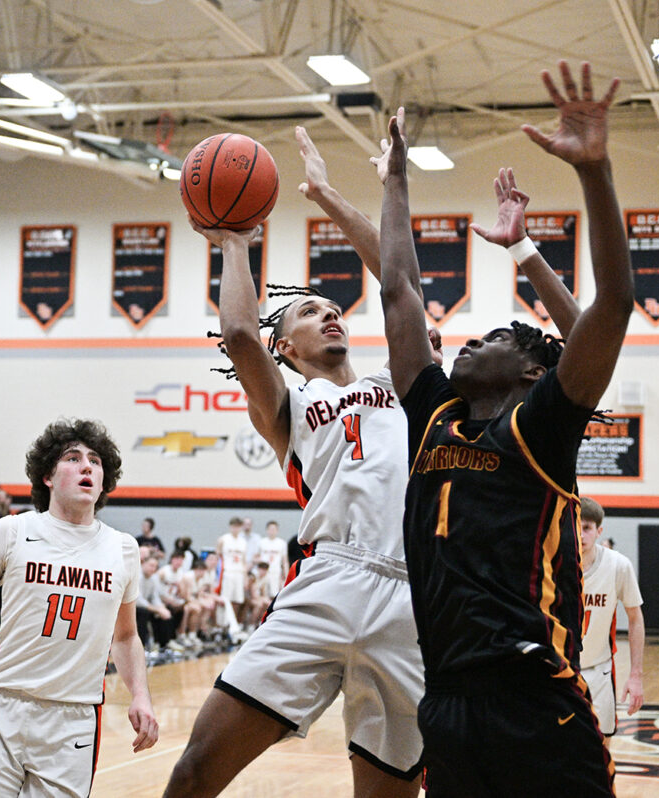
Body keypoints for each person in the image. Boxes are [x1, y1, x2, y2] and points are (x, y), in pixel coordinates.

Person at [163, 124, 440, 798]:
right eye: (311, 313)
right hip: (328, 581)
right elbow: (236, 332)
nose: (330, 315)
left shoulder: (405, 379)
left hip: (412, 594)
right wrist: (234, 242)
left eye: (335, 308)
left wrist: (327, 195)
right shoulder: (289, 405)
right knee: (198, 768)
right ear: (284, 347)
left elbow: (399, 285)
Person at [378, 60, 631, 796]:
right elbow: (399, 290)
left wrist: (595, 172)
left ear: (528, 371)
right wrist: (395, 181)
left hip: (536, 699)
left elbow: (611, 306)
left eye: (490, 337)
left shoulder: (541, 426)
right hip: (449, 699)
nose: (464, 340)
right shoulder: (434, 418)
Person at [0, 418, 159, 793]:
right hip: (1, 707)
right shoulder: (11, 531)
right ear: (47, 476)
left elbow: (126, 637)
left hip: (75, 718)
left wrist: (141, 696)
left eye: (95, 461)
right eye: (73, 458)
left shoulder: (123, 548)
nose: (86, 466)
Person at [578, 496, 645, 747]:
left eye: (587, 528)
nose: (581, 534)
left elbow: (635, 619)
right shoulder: (553, 564)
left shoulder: (618, 566)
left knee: (601, 746)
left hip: (598, 669)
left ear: (599, 531)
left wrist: (635, 675)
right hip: (560, 669)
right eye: (575, 526)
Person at [257, 519, 289, 598]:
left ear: (277, 531)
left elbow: (285, 561)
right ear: (267, 530)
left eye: (274, 529)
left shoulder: (281, 543)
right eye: (270, 529)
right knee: (263, 595)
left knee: (275, 595)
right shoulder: (261, 542)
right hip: (264, 573)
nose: (272, 531)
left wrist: (286, 574)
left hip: (276, 572)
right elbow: (256, 558)